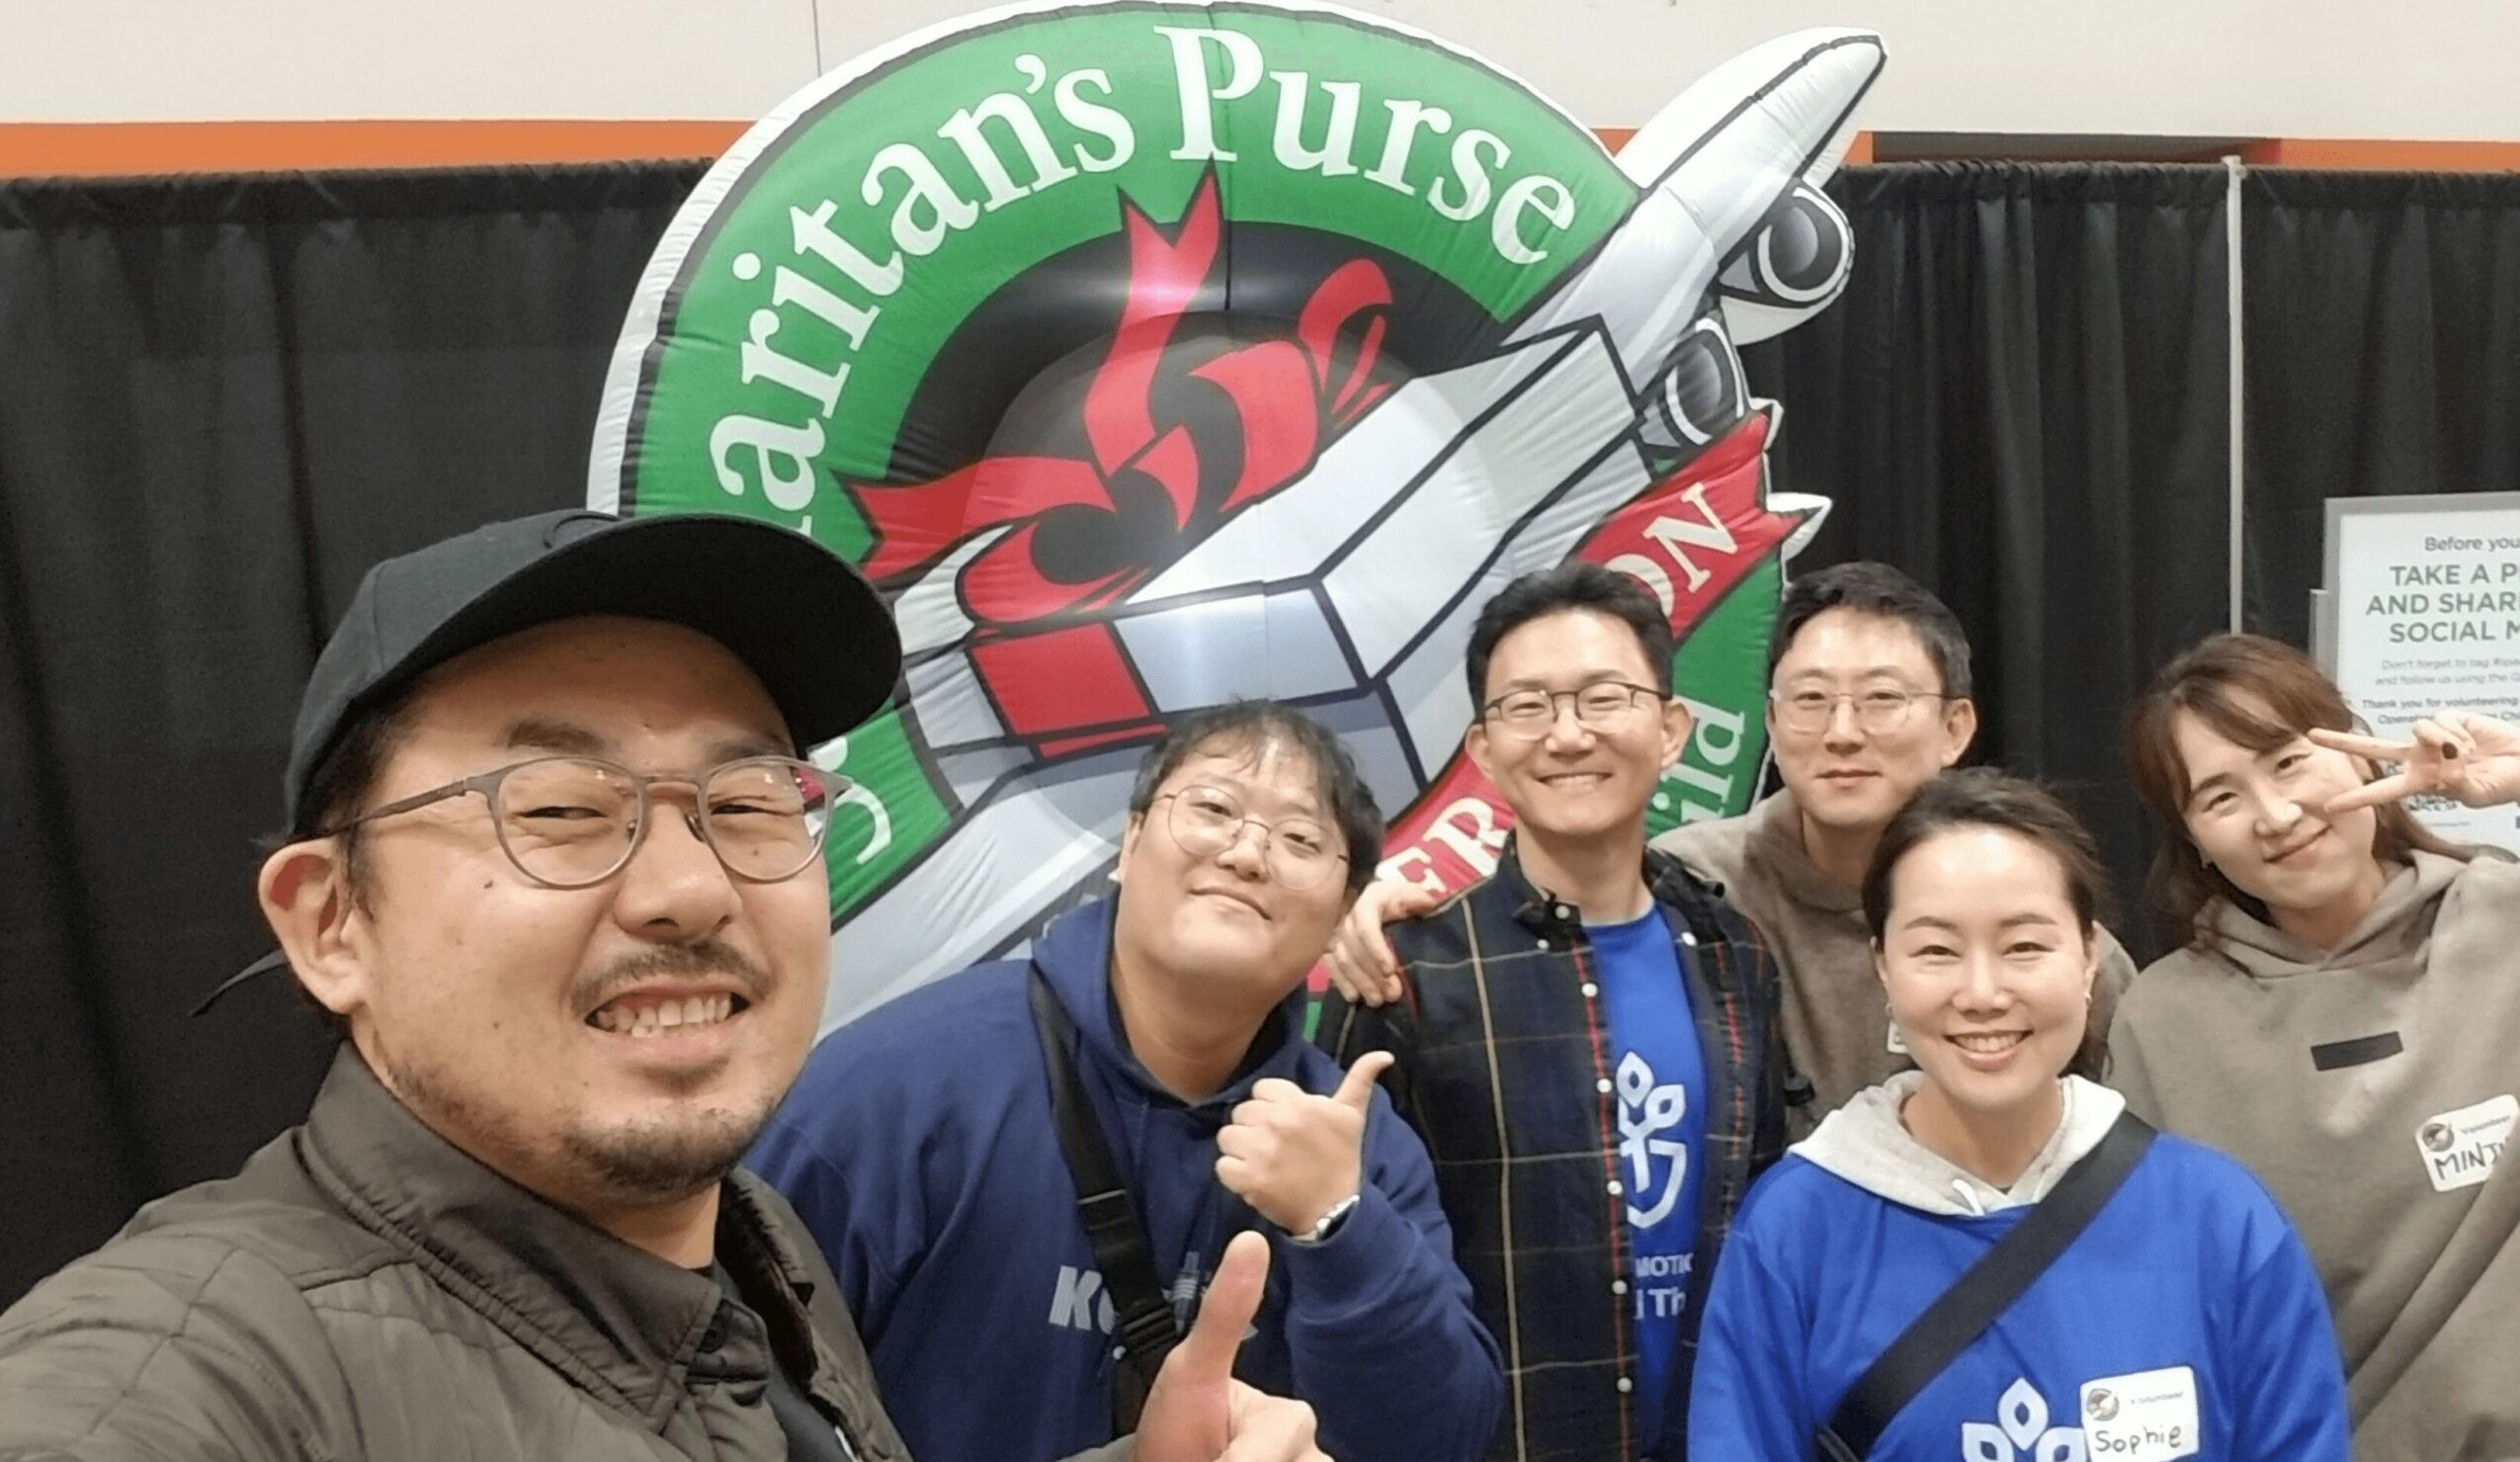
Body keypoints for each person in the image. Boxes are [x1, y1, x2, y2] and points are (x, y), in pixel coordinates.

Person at [0, 508, 1333, 1462]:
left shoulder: (753, 1239)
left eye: (746, 799)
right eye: (559, 806)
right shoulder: (202, 1370)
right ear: (332, 919)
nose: (690, 889)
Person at [751, 700, 1503, 1462]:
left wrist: (1340, 1227)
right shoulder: (896, 1087)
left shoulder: (1357, 1144)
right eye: (1213, 808)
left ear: (1344, 908)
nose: (1247, 853)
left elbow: (1440, 1441)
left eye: (1301, 839)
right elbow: (728, 1386)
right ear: (1130, 840)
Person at [1326, 561, 2139, 1134]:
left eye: (1881, 698)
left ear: (1955, 726)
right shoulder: (1698, 884)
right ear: (1773, 723)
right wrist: (1385, 906)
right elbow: (1558, 897)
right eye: (1811, 699)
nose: (1842, 731)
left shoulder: (2041, 928)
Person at [1689, 768, 2350, 1460]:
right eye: (1937, 950)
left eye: (2025, 947)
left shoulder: (2219, 1220)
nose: (1982, 993)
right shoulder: (1794, 1229)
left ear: (2089, 956)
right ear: (1883, 966)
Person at [1317, 563, 1787, 1462]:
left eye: (1604, 697)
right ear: (1485, 748)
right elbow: (1353, 1253)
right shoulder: (1406, 972)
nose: (1568, 735)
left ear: (1672, 729)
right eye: (1528, 706)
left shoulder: (1735, 954)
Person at [2114, 632, 2520, 1460]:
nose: (2276, 814)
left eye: (2289, 761)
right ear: (2193, 839)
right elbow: (2151, 1292)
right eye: (2220, 797)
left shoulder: (2504, 919)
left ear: (2358, 749)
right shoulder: (2164, 1021)